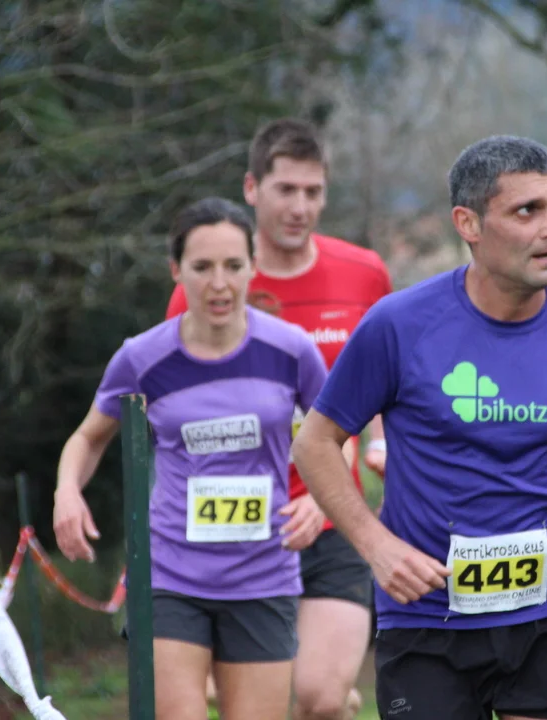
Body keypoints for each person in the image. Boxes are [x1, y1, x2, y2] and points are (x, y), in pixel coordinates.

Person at [292, 135, 547, 720]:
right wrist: (376, 546)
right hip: (428, 619)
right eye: (527, 211)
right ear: (468, 223)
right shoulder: (400, 326)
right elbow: (315, 443)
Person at [53, 196, 328, 720]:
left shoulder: (291, 350)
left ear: (253, 266)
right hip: (169, 576)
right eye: (202, 267)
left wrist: (318, 500)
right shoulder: (142, 357)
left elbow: (335, 437)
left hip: (264, 575)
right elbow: (88, 438)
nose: (219, 284)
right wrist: (67, 492)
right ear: (177, 270)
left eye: (232, 266)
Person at [164, 118, 393, 720]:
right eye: (285, 190)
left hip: (331, 514)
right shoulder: (207, 283)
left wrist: (380, 441)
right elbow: (176, 411)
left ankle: (327, 694)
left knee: (319, 698)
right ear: (251, 188)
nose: (300, 207)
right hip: (232, 522)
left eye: (313, 192)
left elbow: (387, 378)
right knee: (235, 699)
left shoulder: (364, 274)